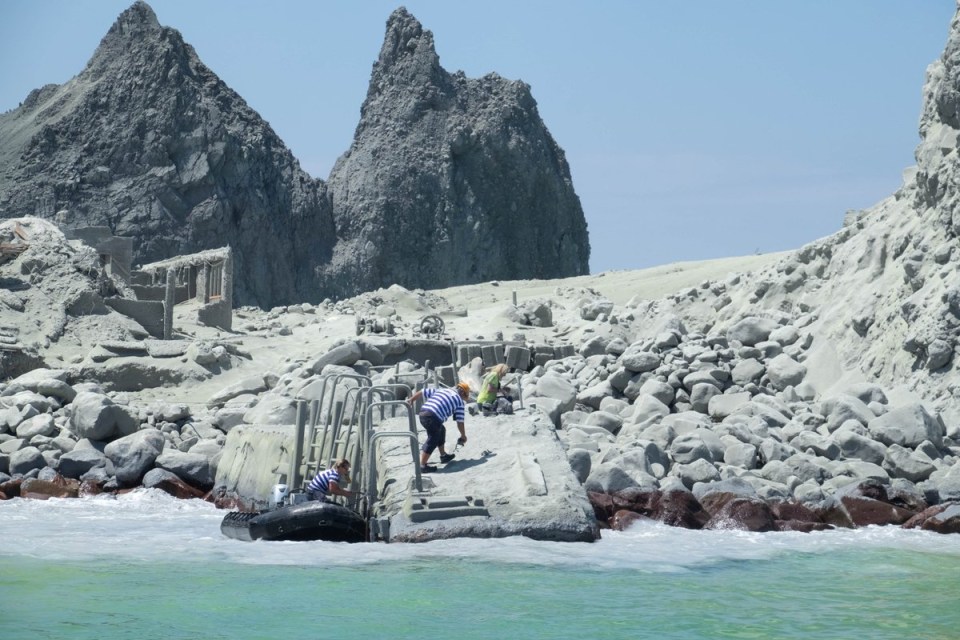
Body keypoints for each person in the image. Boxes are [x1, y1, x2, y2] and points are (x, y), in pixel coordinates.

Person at [406, 382, 470, 473]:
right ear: (463, 393)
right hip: (433, 417)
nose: (464, 399)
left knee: (441, 429)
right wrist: (463, 436)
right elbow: (460, 422)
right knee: (433, 438)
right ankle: (422, 465)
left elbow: (422, 391)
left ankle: (443, 456)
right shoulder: (459, 401)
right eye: (465, 397)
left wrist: (412, 399)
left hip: (423, 413)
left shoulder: (443, 390)